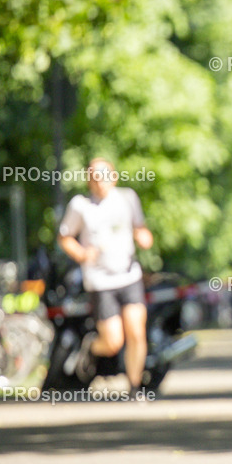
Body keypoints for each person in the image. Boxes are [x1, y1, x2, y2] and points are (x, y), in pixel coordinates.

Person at [58, 158, 153, 392]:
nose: (99, 183)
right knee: (113, 342)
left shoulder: (128, 198)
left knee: (136, 331)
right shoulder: (80, 205)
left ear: (114, 177)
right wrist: (81, 254)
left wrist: (144, 237)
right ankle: (92, 348)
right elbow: (65, 237)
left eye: (103, 177)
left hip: (128, 274)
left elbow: (140, 227)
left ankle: (134, 386)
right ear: (89, 181)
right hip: (100, 280)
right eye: (94, 178)